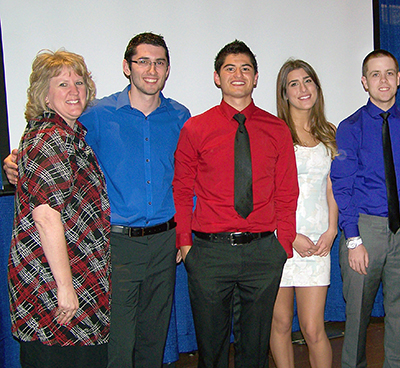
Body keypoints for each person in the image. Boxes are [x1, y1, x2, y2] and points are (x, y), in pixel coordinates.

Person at [4, 32, 191, 368]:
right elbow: (47, 141)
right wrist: (14, 160)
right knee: (116, 346)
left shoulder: (181, 117)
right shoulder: (97, 114)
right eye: (143, 61)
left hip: (164, 244)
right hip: (115, 247)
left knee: (153, 340)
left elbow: (186, 177)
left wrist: (180, 236)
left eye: (160, 62)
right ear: (126, 67)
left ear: (167, 70)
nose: (152, 69)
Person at [173, 40, 298, 368]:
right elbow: (182, 189)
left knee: (255, 350)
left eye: (246, 68)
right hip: (210, 254)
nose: (238, 74)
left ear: (256, 78)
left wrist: (282, 243)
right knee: (211, 348)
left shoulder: (277, 129)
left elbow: (287, 190)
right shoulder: (195, 128)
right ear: (217, 77)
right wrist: (185, 244)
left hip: (262, 253)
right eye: (230, 68)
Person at [330, 49, 400, 368]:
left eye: (389, 73)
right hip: (365, 230)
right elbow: (342, 187)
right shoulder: (350, 128)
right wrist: (353, 239)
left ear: (399, 79)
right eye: (375, 74)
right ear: (364, 82)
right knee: (358, 317)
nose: (383, 80)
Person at [8, 50, 110, 368]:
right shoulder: (49, 138)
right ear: (45, 95)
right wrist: (65, 289)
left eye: (79, 82)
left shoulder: (69, 136)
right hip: (53, 284)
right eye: (62, 84)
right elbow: (46, 216)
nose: (74, 90)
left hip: (75, 275)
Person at [269, 59, 338, 368]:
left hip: (318, 242)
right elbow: (265, 192)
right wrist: (289, 234)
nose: (302, 89)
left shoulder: (330, 133)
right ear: (284, 93)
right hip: (281, 240)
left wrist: (332, 230)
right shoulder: (273, 133)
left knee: (313, 328)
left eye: (307, 81)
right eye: (293, 84)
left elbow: (332, 187)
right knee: (281, 324)